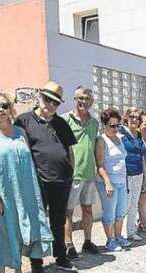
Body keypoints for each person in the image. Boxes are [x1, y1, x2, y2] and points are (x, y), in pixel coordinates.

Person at [0, 91, 53, 273]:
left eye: (4, 105)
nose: (1, 109)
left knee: (20, 228)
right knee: (0, 231)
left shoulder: (20, 132)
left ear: (10, 107)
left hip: (24, 190)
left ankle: (18, 272)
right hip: (0, 192)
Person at [14, 81, 77, 273]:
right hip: (38, 181)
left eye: (55, 103)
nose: (50, 105)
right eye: (47, 100)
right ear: (39, 97)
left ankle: (60, 256)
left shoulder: (61, 123)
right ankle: (36, 261)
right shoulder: (24, 120)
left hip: (62, 180)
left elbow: (70, 151)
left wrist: (70, 173)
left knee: (58, 220)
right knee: (37, 220)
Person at [62, 87, 100, 257]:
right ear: (75, 99)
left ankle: (87, 241)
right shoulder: (65, 120)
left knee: (88, 210)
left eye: (87, 99)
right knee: (68, 212)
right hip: (72, 174)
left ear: (92, 102)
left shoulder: (94, 123)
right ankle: (68, 244)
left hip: (89, 173)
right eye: (80, 98)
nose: (83, 101)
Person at [94, 108, 129, 251]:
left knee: (120, 212)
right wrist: (107, 182)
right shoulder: (101, 140)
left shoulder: (119, 139)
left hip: (121, 181)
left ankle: (118, 236)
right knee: (109, 214)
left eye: (117, 125)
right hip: (108, 183)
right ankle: (110, 240)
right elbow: (100, 165)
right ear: (104, 125)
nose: (115, 128)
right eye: (112, 125)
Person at [119, 107, 146, 242]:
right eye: (132, 116)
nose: (135, 119)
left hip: (138, 172)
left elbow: (142, 155)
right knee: (126, 203)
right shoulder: (121, 133)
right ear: (126, 118)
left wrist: (145, 176)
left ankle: (131, 231)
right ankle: (122, 233)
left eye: (137, 117)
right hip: (126, 173)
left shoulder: (139, 134)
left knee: (134, 203)